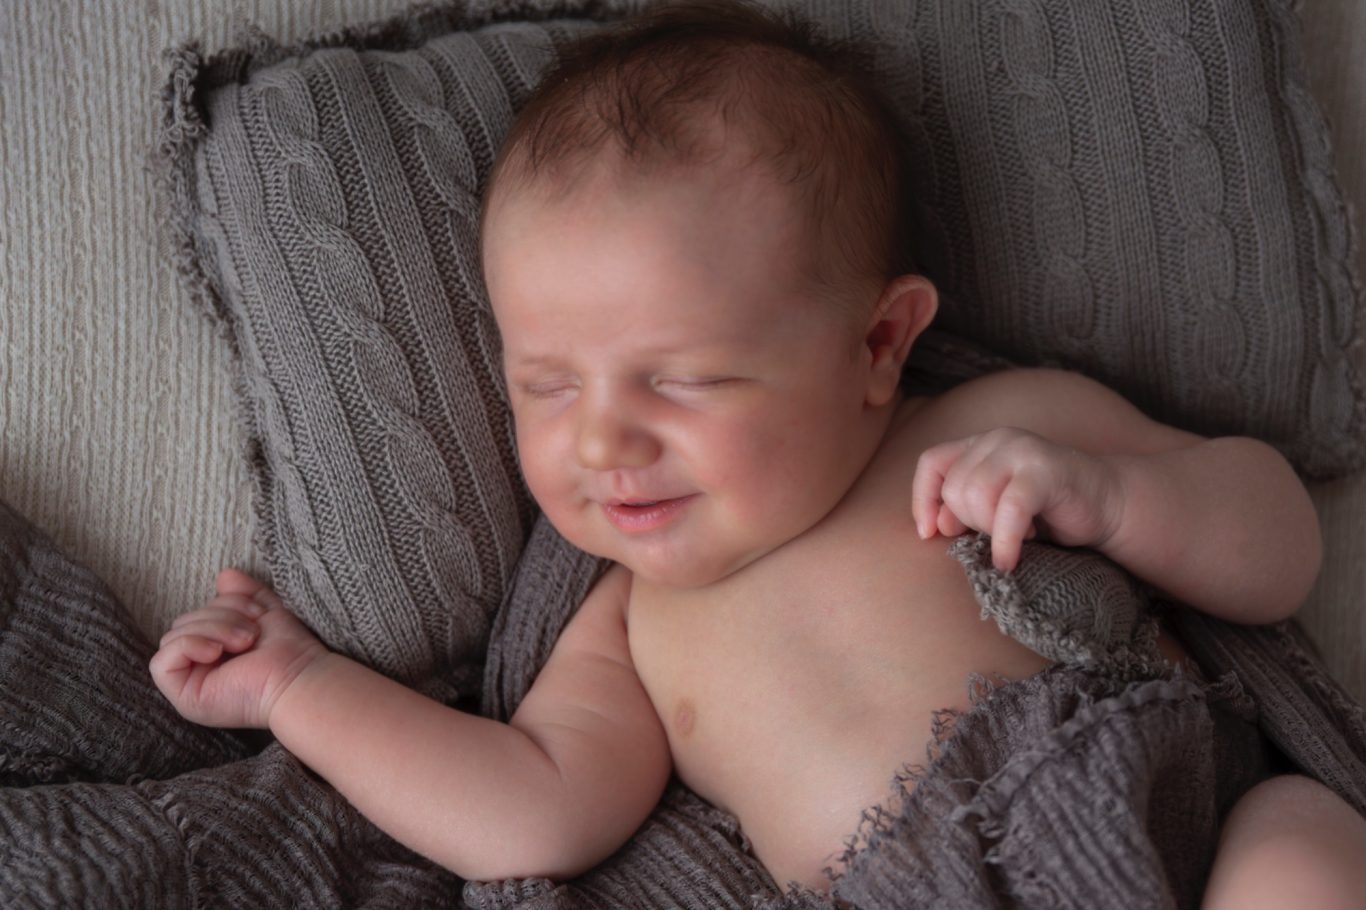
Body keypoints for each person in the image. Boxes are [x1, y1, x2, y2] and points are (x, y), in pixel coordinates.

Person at [150, 0, 1366, 903]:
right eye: (548, 384)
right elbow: (531, 811)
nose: (605, 436)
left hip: (1161, 828)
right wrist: (297, 690)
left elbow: (1277, 553)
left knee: (1305, 834)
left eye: (681, 377)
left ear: (878, 344)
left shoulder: (1008, 432)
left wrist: (1117, 496)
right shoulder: (628, 619)